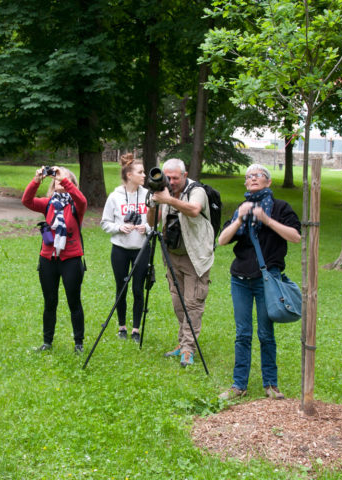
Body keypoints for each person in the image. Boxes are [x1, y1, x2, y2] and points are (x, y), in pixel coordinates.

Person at [217, 164, 301, 400]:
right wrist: (239, 219)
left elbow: (295, 236)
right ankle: (238, 385)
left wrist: (266, 219)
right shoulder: (240, 209)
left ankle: (271, 385)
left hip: (268, 279)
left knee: (266, 333)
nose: (252, 179)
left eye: (258, 175)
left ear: (268, 181)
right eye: (248, 176)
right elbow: (222, 240)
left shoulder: (279, 207)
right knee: (242, 333)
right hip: (240, 280)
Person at [147, 158, 214, 367]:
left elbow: (194, 210)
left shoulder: (196, 191)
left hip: (195, 257)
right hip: (172, 256)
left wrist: (169, 200)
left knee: (192, 304)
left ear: (184, 176)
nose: (171, 181)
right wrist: (153, 204)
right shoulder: (164, 192)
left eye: (175, 177)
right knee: (178, 303)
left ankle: (188, 349)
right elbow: (151, 223)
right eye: (169, 178)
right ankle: (183, 343)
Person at [22, 166, 87, 353]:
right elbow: (26, 200)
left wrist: (64, 179)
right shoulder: (48, 203)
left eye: (64, 179)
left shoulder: (77, 205)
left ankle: (79, 343)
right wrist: (37, 180)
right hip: (48, 259)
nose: (59, 180)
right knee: (50, 301)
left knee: (74, 301)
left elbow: (82, 199)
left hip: (71, 259)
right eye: (56, 178)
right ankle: (47, 341)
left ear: (72, 184)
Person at [100, 153, 151, 342]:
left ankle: (136, 329)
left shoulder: (148, 196)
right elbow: (105, 223)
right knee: (121, 287)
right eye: (140, 172)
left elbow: (154, 224)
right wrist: (119, 227)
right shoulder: (115, 197)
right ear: (129, 175)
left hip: (141, 249)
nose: (144, 175)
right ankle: (122, 326)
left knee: (138, 289)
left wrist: (145, 228)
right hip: (120, 249)